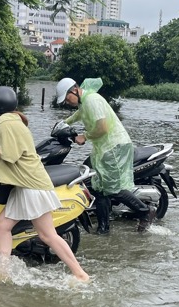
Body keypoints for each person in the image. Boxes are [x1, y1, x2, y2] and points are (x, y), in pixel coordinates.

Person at [0, 86, 90, 282]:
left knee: (47, 235)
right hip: (26, 185)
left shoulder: (5, 122)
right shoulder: (13, 119)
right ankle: (2, 270)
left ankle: (80, 275)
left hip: (31, 186)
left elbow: (10, 155)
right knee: (2, 225)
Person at [55, 77, 154, 234]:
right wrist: (63, 124)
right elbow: (78, 115)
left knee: (112, 189)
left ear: (74, 90)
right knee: (99, 188)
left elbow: (103, 128)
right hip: (104, 148)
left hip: (114, 147)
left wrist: (84, 136)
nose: (67, 102)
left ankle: (144, 211)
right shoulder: (84, 102)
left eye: (67, 98)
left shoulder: (92, 100)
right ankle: (103, 229)